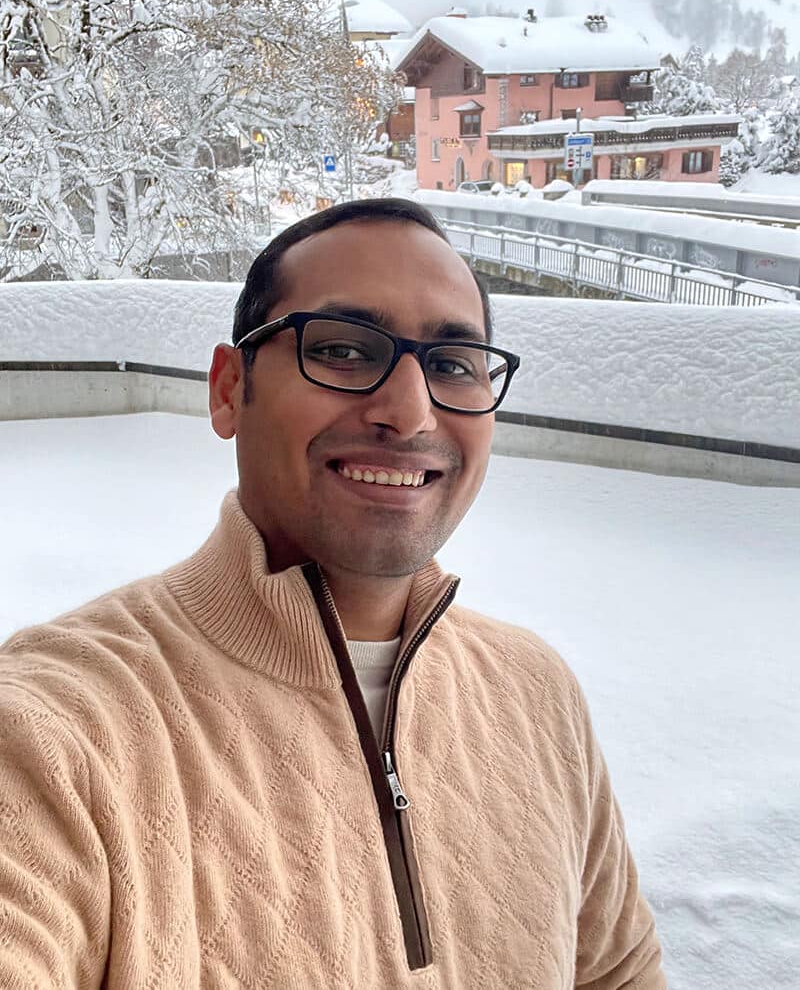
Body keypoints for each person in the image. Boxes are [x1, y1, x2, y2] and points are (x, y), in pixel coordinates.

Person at [0, 198, 665, 988]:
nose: (410, 414)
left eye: (453, 365)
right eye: (344, 349)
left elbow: (617, 970)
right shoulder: (52, 731)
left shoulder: (536, 692)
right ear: (228, 389)